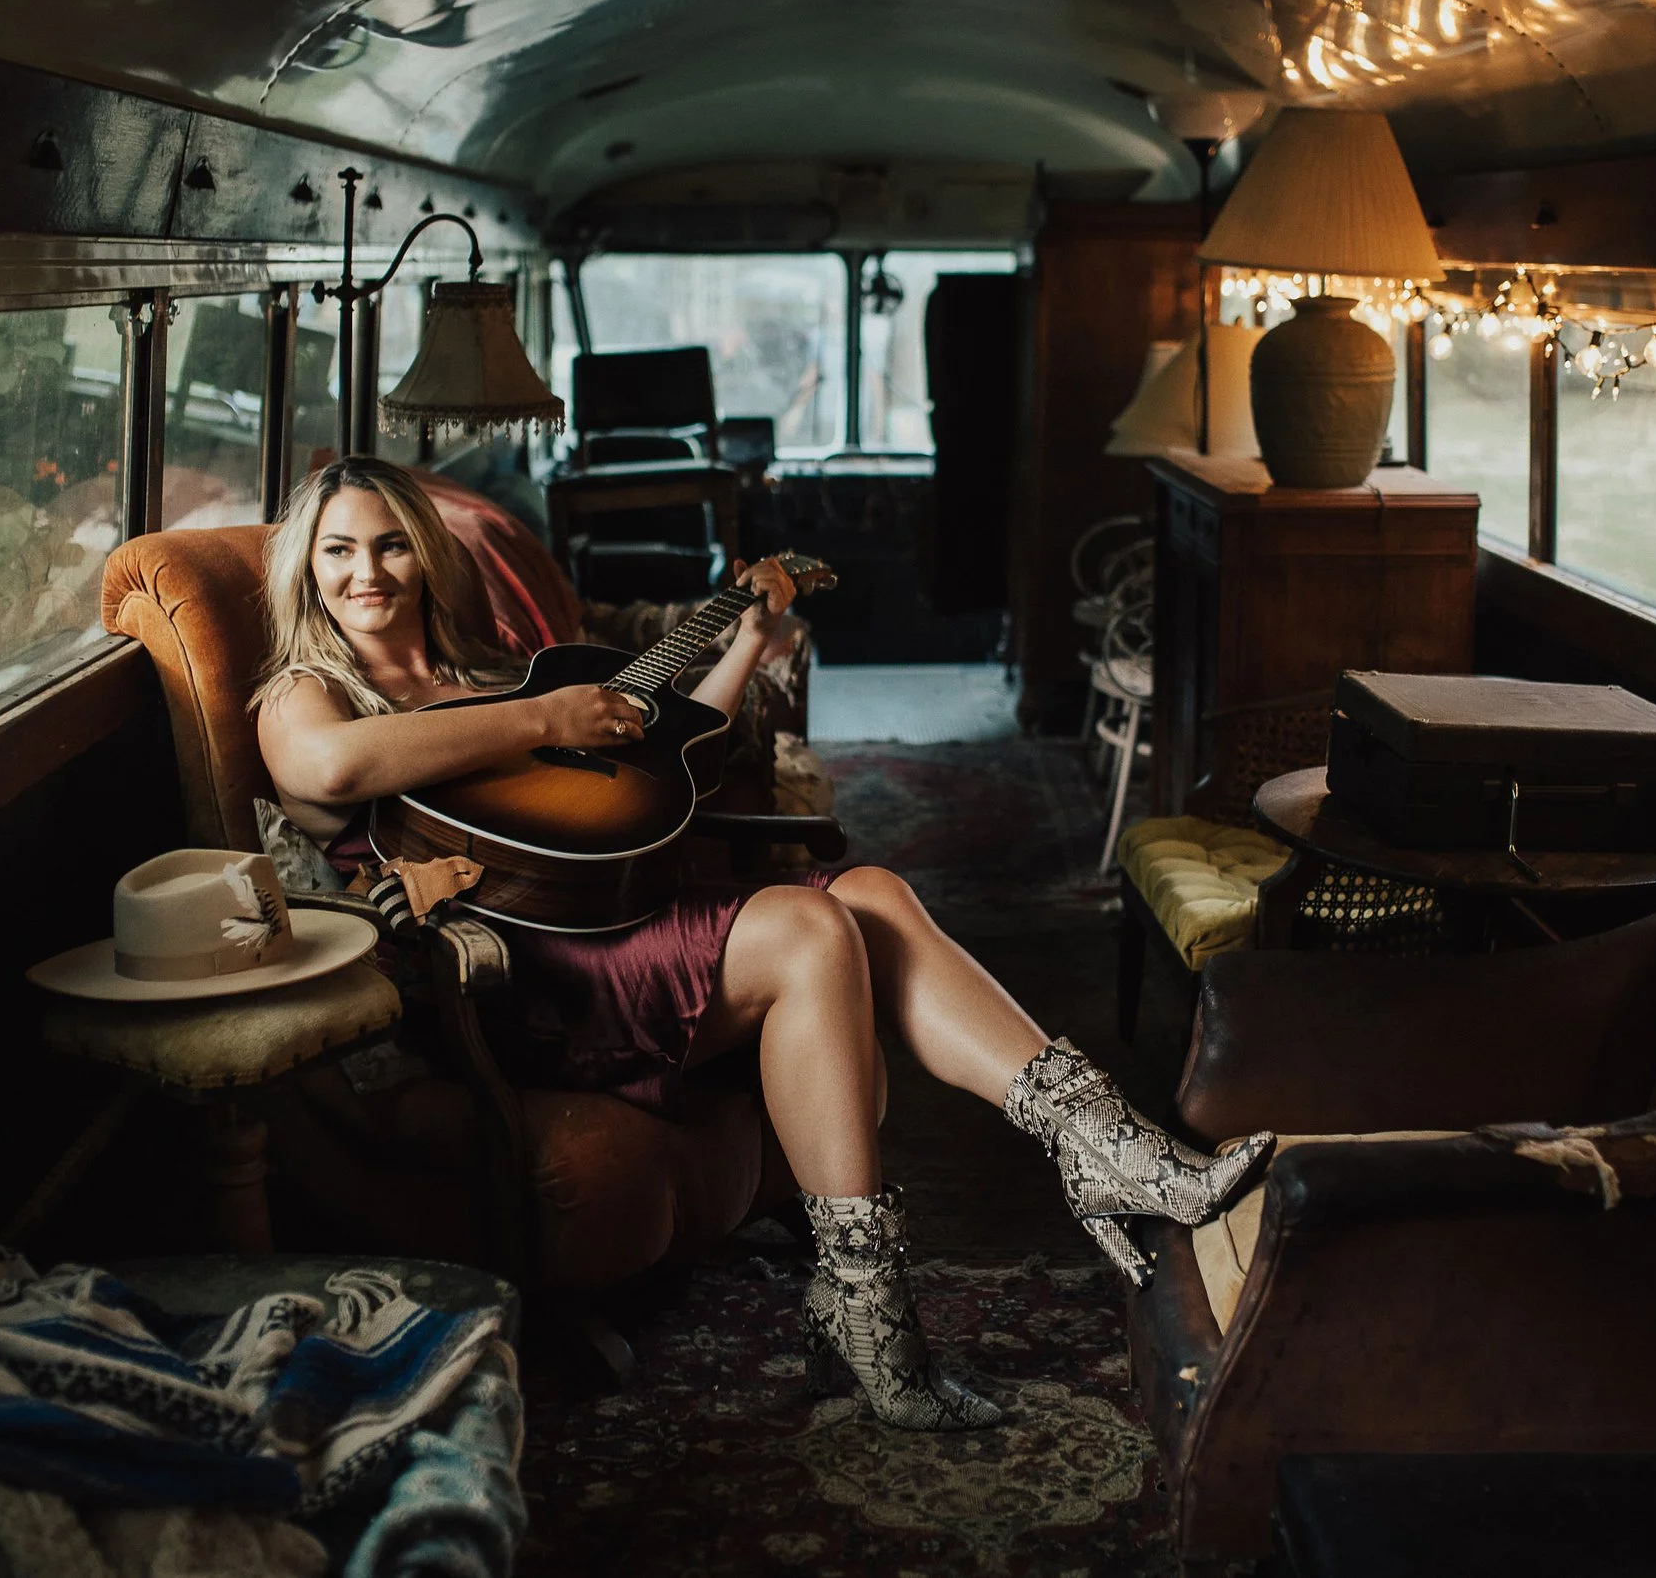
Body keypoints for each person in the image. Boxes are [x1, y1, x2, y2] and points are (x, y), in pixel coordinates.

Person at [254, 457, 1270, 1431]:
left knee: (870, 889)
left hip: (616, 928)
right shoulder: (312, 692)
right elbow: (331, 767)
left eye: (389, 546)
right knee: (807, 925)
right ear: (307, 567)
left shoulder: (485, 674)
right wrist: (549, 712)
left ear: (425, 555)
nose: (365, 573)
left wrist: (749, 637)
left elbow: (662, 756)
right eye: (338, 550)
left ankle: (1104, 1147)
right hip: (519, 982)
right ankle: (873, 1316)